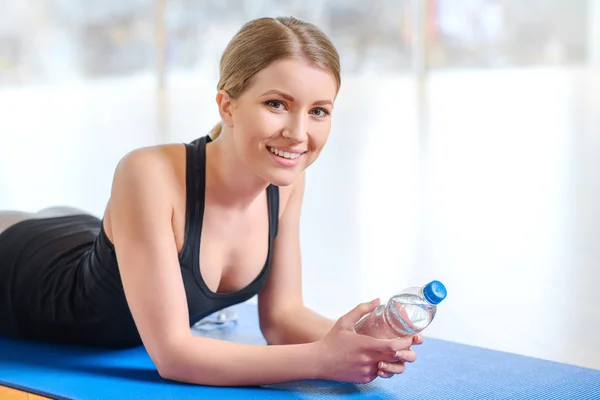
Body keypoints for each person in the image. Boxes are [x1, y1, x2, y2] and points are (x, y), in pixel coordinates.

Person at [0, 16, 423, 387]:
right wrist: (321, 359)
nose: (298, 134)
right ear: (228, 105)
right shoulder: (147, 172)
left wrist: (358, 340)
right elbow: (174, 354)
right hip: (18, 268)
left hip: (77, 233)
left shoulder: (287, 183)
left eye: (318, 111)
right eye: (277, 104)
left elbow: (281, 318)